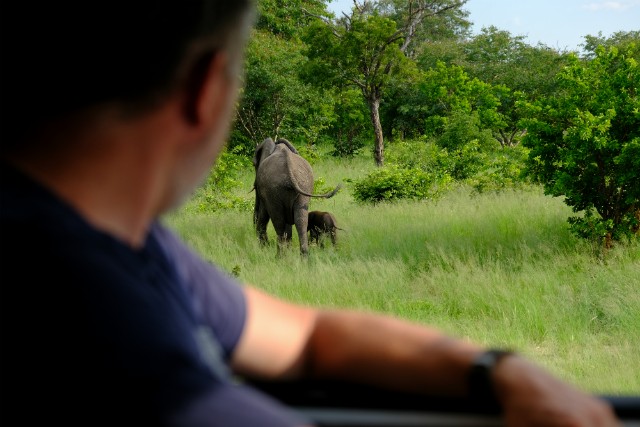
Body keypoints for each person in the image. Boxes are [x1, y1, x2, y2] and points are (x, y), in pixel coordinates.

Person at [0, 2, 619, 426]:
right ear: (205, 91)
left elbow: (306, 335)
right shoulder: (95, 309)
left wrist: (494, 367)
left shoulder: (138, 249)